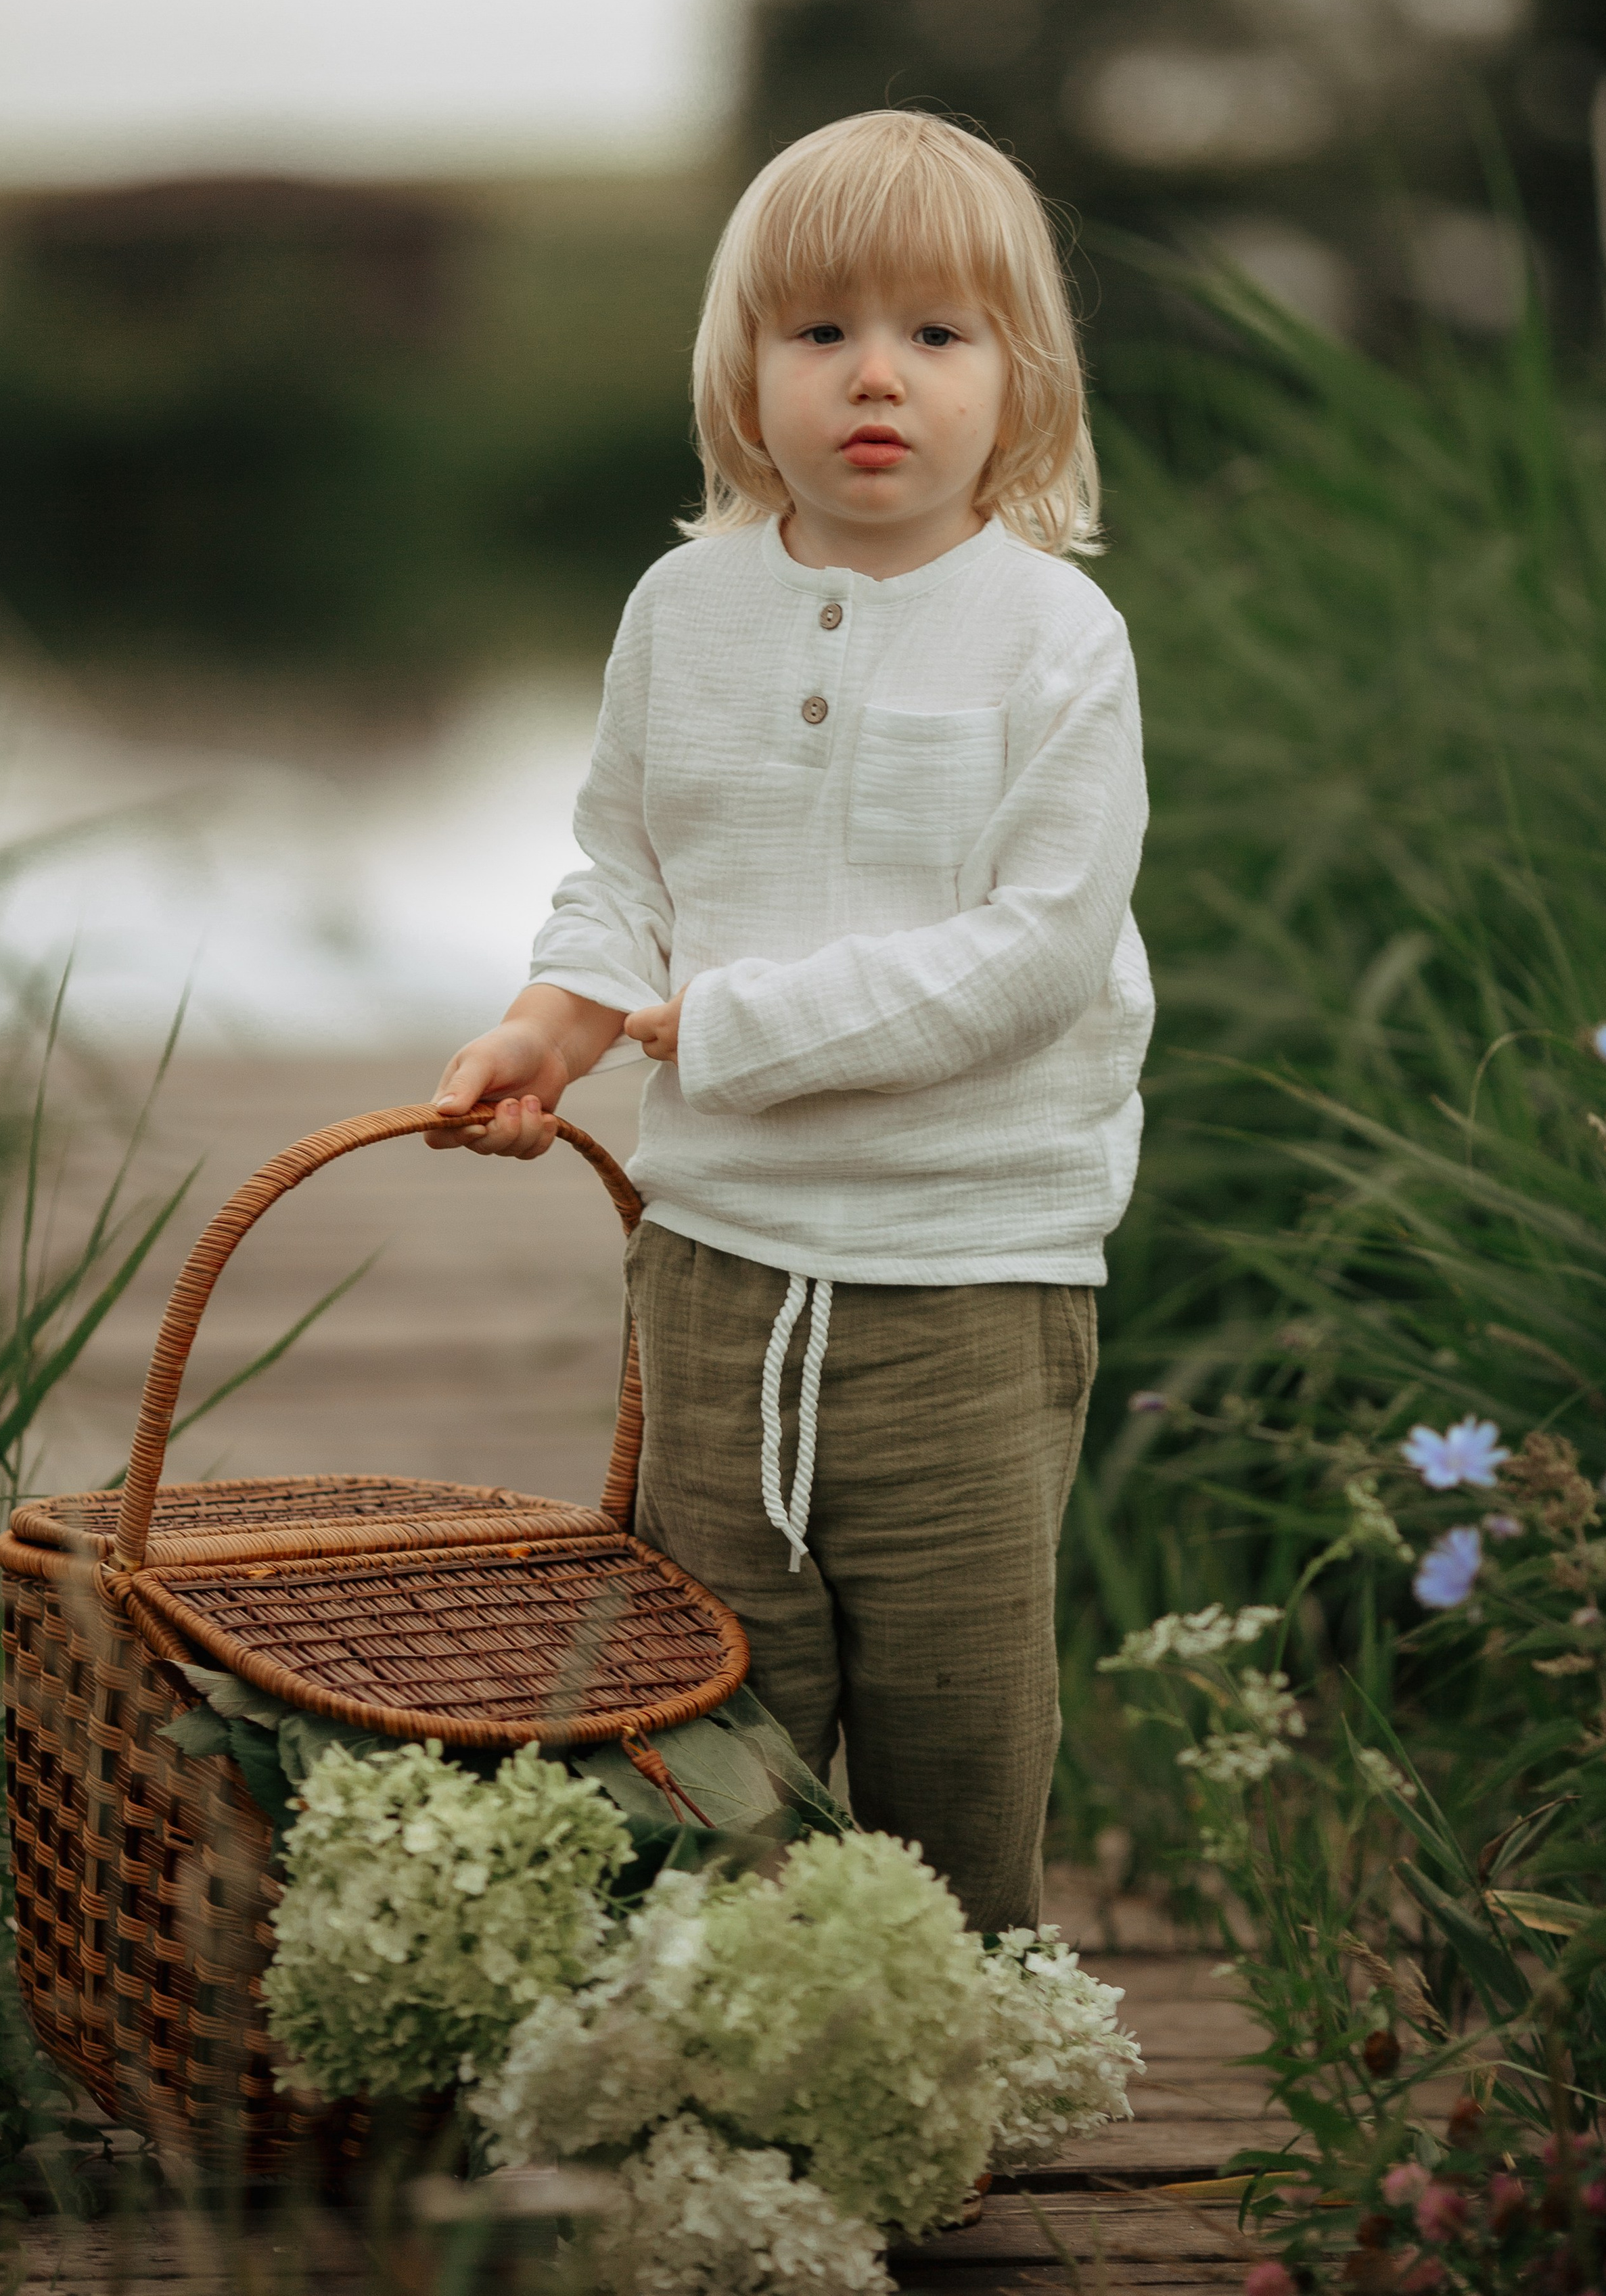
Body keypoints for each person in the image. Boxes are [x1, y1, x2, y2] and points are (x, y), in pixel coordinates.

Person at [428, 110, 1151, 1933]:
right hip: (719, 1262)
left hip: (965, 1272)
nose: (874, 375)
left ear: (1022, 377)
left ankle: (963, 2034)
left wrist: (735, 1028)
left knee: (953, 1717)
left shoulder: (1053, 638)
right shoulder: (684, 610)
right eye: (820, 330)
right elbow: (627, 866)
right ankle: (736, 2027)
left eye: (936, 332)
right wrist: (558, 1020)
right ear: (744, 371)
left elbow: (1038, 952)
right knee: (717, 1709)